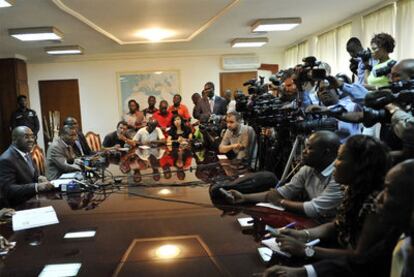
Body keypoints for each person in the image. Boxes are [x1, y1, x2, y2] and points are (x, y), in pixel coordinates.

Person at [263, 135, 392, 277]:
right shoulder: (353, 189)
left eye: (340, 158)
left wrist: (306, 250)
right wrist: (302, 234)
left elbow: (358, 257)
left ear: (360, 166)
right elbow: (337, 225)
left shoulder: (376, 202)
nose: (335, 163)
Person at [227, 131, 343, 221]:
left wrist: (280, 202)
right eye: (305, 147)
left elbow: (314, 209)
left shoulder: (340, 175)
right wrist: (244, 197)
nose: (304, 151)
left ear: (326, 153)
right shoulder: (308, 169)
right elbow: (282, 192)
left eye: (310, 148)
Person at [0, 126, 54, 206]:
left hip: (34, 200)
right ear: (14, 139)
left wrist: (39, 178)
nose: (31, 140)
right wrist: (36, 186)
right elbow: (8, 189)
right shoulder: (6, 159)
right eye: (26, 137)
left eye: (32, 136)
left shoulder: (26, 153)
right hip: (19, 206)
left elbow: (31, 176)